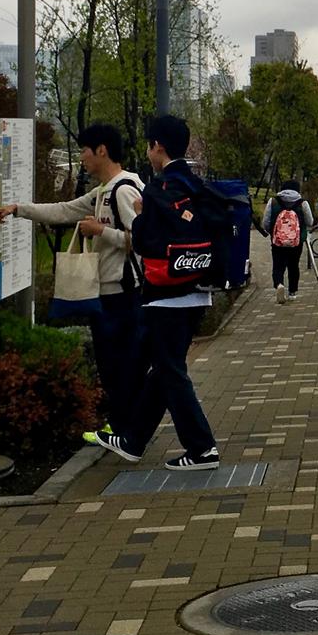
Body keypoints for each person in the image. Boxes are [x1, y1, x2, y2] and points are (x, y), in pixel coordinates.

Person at [0, 122, 143, 435]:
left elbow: (143, 240)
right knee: (111, 365)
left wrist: (102, 231)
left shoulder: (124, 189)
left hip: (122, 294)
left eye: (85, 151)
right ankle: (121, 426)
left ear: (102, 150)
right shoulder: (101, 192)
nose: (83, 158)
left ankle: (125, 430)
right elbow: (64, 211)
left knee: (120, 365)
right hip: (105, 293)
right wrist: (18, 209)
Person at [91, 116, 220, 470]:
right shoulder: (197, 184)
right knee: (161, 369)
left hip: (166, 295)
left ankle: (202, 448)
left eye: (149, 145)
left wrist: (139, 215)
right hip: (198, 290)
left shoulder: (158, 189)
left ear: (157, 146)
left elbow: (144, 244)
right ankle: (133, 440)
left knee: (170, 371)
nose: (148, 152)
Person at [261, 178, 314, 304]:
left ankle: (279, 284)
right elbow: (310, 221)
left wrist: (273, 232)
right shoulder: (302, 203)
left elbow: (266, 222)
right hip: (296, 241)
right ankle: (292, 292)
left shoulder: (273, 201)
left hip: (278, 241)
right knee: (293, 266)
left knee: (278, 266)